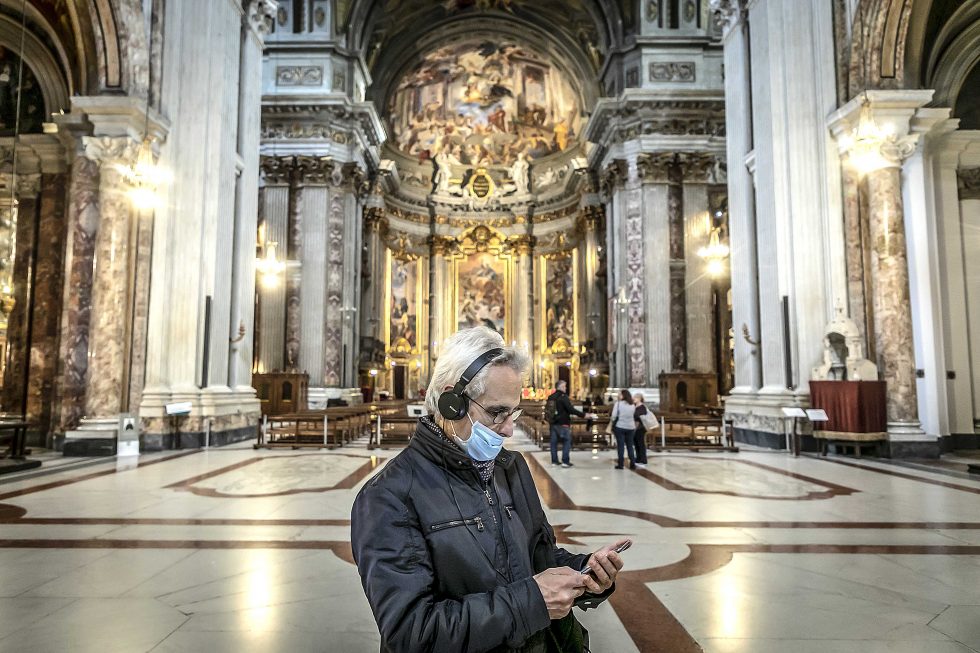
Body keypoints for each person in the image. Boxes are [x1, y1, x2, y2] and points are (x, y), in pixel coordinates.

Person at [351, 327, 628, 652]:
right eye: (497, 413)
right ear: (450, 401)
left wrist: (586, 571)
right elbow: (412, 633)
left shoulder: (512, 469)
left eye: (514, 412)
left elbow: (538, 556)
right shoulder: (389, 496)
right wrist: (531, 603)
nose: (509, 430)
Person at [548, 380, 586, 468]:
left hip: (553, 423)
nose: (566, 388)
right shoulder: (563, 397)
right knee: (567, 441)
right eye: (564, 386)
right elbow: (571, 409)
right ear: (560, 387)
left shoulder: (551, 397)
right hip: (563, 423)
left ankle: (554, 461)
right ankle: (565, 461)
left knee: (553, 443)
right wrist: (583, 415)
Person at [610, 389, 636, 470]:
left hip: (620, 426)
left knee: (620, 446)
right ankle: (632, 463)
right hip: (631, 427)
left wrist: (613, 420)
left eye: (620, 394)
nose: (618, 396)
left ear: (623, 395)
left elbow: (614, 415)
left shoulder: (618, 404)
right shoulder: (632, 405)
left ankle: (620, 464)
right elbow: (634, 415)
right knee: (630, 446)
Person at [632, 393, 650, 467]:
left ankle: (643, 459)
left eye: (635, 398)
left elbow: (639, 417)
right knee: (636, 444)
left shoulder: (642, 407)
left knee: (641, 444)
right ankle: (638, 458)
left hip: (640, 428)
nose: (633, 399)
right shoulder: (635, 406)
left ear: (639, 398)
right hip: (635, 427)